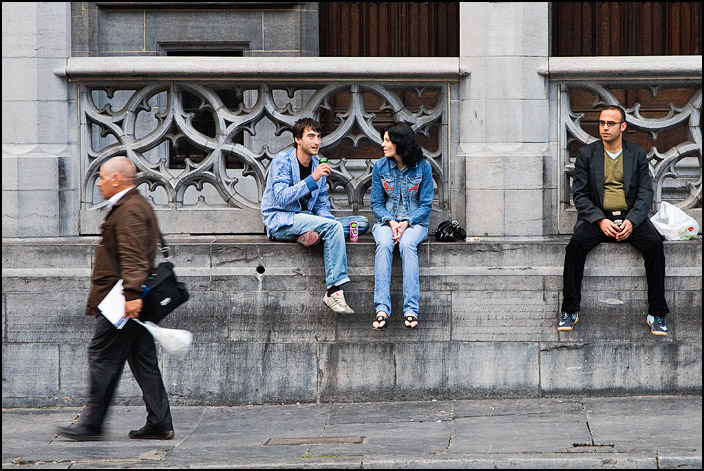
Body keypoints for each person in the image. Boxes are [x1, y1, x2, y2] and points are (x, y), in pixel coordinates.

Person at [57, 157, 175, 441]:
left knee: (102, 356)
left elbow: (134, 257)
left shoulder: (130, 209)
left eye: (101, 177)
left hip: (121, 300)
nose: (98, 183)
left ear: (116, 179)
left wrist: (131, 296)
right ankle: (160, 422)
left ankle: (91, 425)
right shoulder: (132, 205)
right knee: (143, 360)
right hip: (126, 298)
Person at [558, 105, 670, 336]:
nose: (605, 128)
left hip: (630, 217)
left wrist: (632, 221)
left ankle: (657, 313)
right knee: (576, 245)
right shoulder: (586, 154)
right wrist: (600, 220)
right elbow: (580, 195)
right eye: (601, 123)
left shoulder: (637, 154)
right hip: (598, 218)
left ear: (623, 126)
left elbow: (645, 194)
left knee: (654, 245)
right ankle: (570, 310)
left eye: (610, 123)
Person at [261, 117, 368, 314]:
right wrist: (313, 179)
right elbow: (282, 198)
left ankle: (315, 236)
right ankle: (333, 291)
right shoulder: (282, 161)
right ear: (297, 139)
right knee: (333, 228)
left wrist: (327, 221)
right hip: (283, 219)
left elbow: (321, 204)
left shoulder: (317, 163)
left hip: (308, 219)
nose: (316, 141)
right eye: (310, 136)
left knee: (360, 224)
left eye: (318, 136)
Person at [370, 122, 434, 330]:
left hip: (415, 222)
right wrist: (391, 222)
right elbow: (376, 204)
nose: (383, 144)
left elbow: (426, 205)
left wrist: (406, 223)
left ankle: (411, 310)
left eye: (388, 140)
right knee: (384, 244)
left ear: (400, 142)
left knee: (407, 245)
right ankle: (381, 309)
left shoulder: (423, 167)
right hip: (386, 221)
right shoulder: (380, 166)